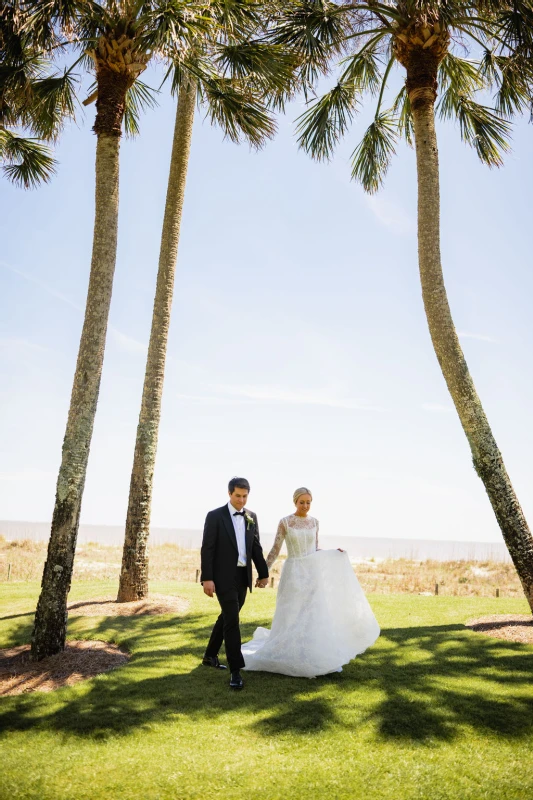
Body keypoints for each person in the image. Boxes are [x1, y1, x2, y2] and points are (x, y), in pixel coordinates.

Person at [241, 487, 380, 677]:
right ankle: (286, 650)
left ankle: (309, 651)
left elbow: (314, 548)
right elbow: (275, 549)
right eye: (302, 502)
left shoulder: (315, 522)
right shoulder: (285, 522)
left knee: (311, 612)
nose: (305, 506)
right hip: (293, 572)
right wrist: (263, 572)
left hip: (311, 572)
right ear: (295, 502)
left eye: (308, 502)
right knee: (291, 611)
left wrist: (333, 553)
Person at [200, 477, 269, 690]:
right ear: (229, 494)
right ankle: (236, 670)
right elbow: (208, 549)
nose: (241, 500)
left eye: (245, 496)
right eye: (238, 495)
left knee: (227, 616)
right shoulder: (215, 516)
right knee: (232, 620)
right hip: (222, 577)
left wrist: (263, 573)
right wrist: (207, 578)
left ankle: (210, 655)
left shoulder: (251, 517)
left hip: (242, 577)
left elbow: (255, 547)